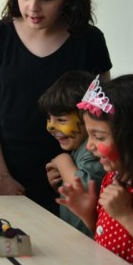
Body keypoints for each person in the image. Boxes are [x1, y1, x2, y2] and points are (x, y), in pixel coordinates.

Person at [0, 0, 112, 214]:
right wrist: (1, 177)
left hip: (74, 175)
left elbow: (102, 116)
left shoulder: (90, 40)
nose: (33, 7)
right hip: (10, 177)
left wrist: (77, 171)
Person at [58, 75, 133, 265]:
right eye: (89, 135)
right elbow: (110, 237)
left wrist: (126, 215)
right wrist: (89, 216)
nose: (89, 146)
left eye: (99, 136)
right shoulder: (113, 178)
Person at [39, 70, 105, 237]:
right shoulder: (77, 149)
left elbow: (82, 189)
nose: (51, 127)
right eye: (49, 119)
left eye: (61, 120)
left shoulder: (93, 151)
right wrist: (60, 185)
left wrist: (63, 162)